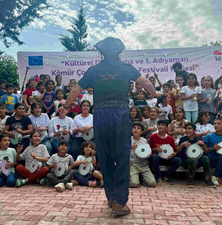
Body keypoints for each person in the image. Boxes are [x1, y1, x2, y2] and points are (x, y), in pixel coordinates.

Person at [63, 37, 156, 216]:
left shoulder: (94, 70)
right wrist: (154, 94)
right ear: (119, 51)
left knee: (105, 156)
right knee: (121, 157)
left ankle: (111, 198)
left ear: (102, 52)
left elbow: (75, 90)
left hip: (101, 115)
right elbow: (146, 83)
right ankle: (120, 202)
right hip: (119, 114)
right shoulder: (125, 67)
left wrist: (67, 106)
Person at [176, 123, 215, 187]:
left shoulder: (198, 140)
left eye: (190, 129)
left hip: (197, 160)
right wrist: (182, 145)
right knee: (193, 160)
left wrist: (203, 144)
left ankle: (207, 179)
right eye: (186, 129)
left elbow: (207, 151)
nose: (187, 130)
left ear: (194, 130)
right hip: (186, 161)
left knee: (205, 158)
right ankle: (190, 180)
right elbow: (177, 151)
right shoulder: (183, 139)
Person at [149, 119, 181, 184]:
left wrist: (173, 154)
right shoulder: (153, 137)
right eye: (159, 125)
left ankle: (167, 175)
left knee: (178, 160)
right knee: (154, 157)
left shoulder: (170, 138)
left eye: (163, 125)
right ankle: (158, 176)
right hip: (158, 158)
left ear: (166, 127)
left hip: (168, 158)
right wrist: (155, 149)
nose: (160, 126)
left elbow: (175, 151)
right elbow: (149, 149)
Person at [129, 122, 156, 188]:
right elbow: (121, 152)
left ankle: (143, 179)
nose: (135, 129)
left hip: (144, 165)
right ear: (132, 130)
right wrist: (129, 147)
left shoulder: (144, 141)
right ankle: (135, 178)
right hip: (133, 165)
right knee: (133, 183)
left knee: (152, 183)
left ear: (141, 132)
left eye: (138, 128)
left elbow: (148, 153)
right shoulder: (128, 140)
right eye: (134, 128)